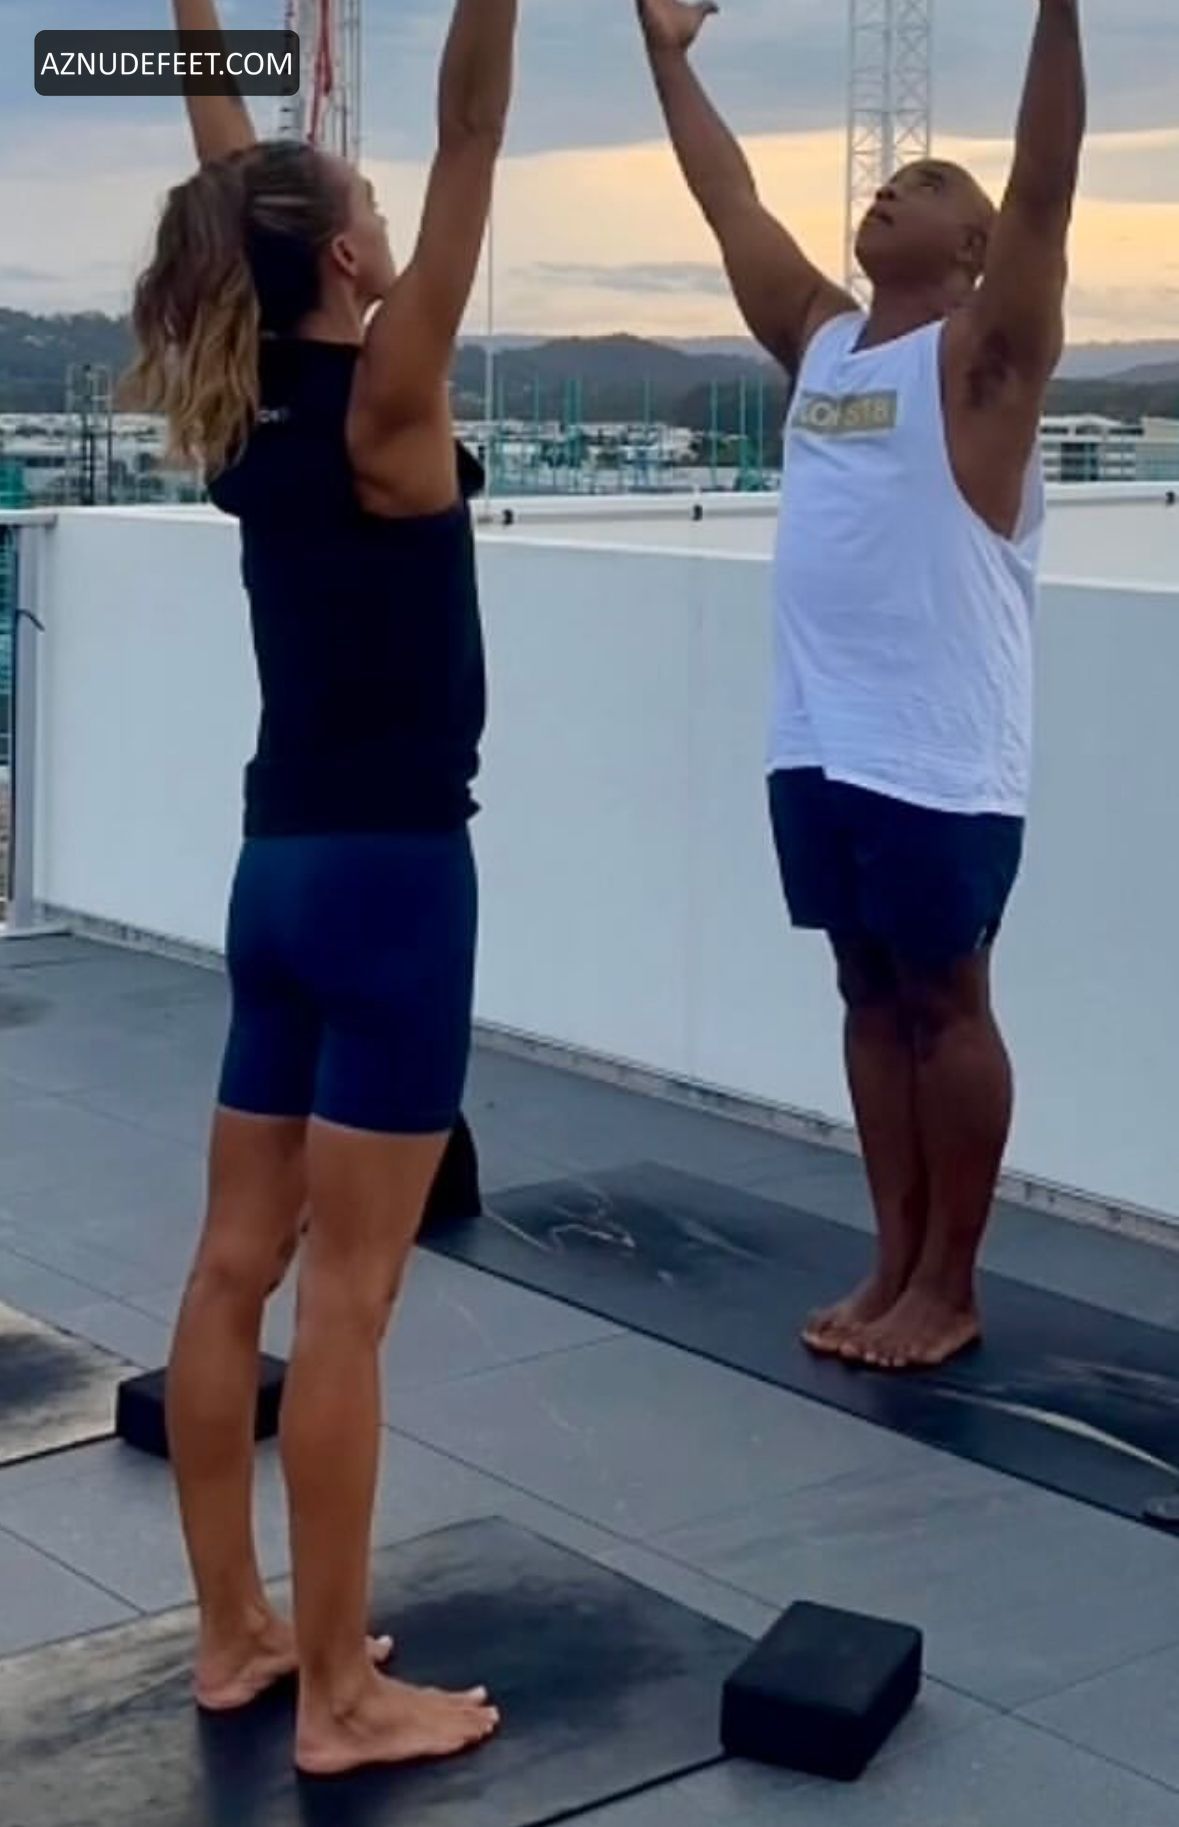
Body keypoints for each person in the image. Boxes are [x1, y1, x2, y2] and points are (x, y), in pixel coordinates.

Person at [120, 0, 517, 1775]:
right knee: (348, 1297)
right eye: (369, 211)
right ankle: (341, 1699)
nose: (388, 217)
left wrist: (198, 22)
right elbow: (473, 128)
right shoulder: (386, 400)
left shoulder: (251, 400)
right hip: (394, 885)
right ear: (351, 258)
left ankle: (240, 1639)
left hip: (273, 872)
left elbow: (240, 179)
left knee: (233, 1268)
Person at [636, 0, 1086, 1369]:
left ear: (974, 250)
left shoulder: (983, 363)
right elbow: (728, 200)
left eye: (931, 185)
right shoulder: (823, 341)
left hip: (939, 752)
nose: (894, 186)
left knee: (948, 1001)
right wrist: (666, 52)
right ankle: (894, 1259)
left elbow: (1048, 182)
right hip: (819, 741)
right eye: (895, 177)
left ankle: (951, 1282)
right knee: (865, 990)